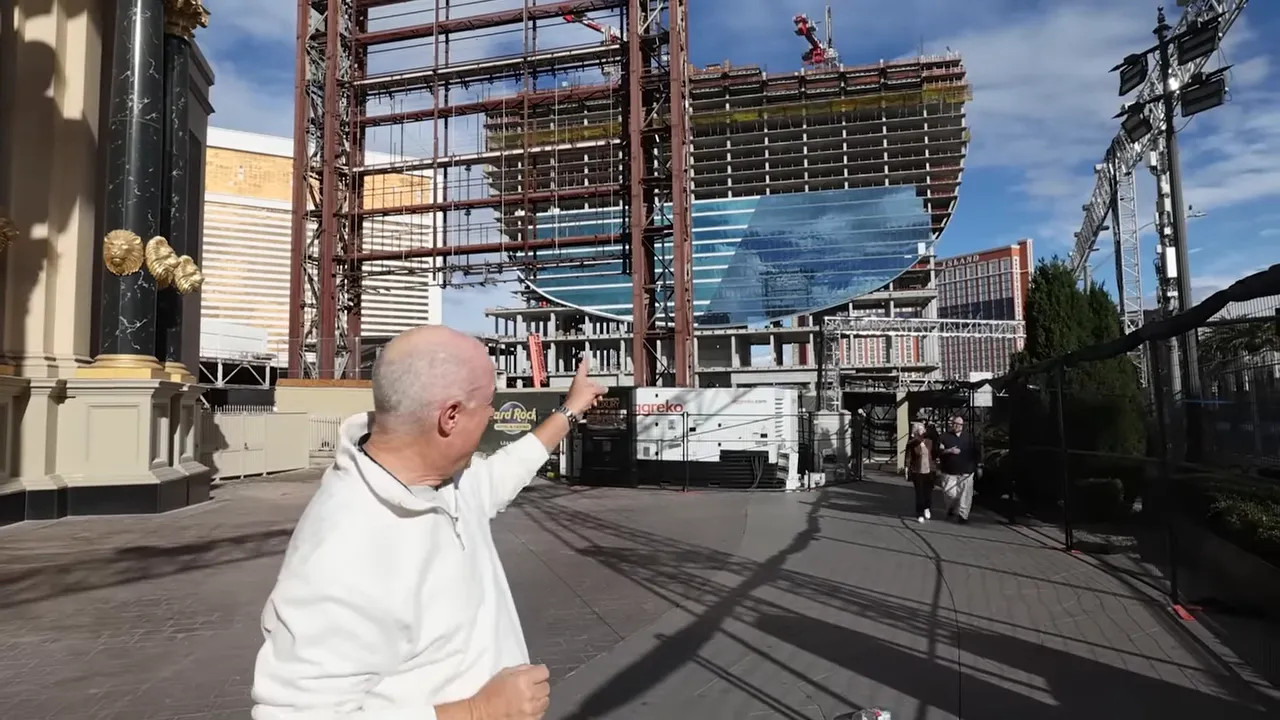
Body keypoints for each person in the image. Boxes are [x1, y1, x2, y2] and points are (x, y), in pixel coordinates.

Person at [251, 326, 607, 719]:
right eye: (489, 403)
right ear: (450, 416)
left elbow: (504, 471)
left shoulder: (445, 482)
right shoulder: (345, 548)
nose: (493, 414)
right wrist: (476, 711)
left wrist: (571, 409)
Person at [936, 414, 980, 523]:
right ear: (952, 424)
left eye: (959, 424)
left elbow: (977, 452)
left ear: (962, 425)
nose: (957, 426)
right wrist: (949, 451)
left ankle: (963, 515)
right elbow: (937, 452)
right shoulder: (944, 437)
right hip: (949, 471)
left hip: (967, 471)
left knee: (966, 494)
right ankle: (952, 507)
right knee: (950, 493)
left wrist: (979, 466)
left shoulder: (970, 438)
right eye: (955, 423)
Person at [904, 421, 935, 523]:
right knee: (919, 493)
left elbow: (934, 453)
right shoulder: (912, 443)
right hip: (917, 470)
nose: (921, 431)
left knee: (928, 492)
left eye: (922, 429)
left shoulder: (929, 441)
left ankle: (927, 507)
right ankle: (920, 513)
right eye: (919, 430)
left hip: (929, 470)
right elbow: (908, 455)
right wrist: (907, 467)